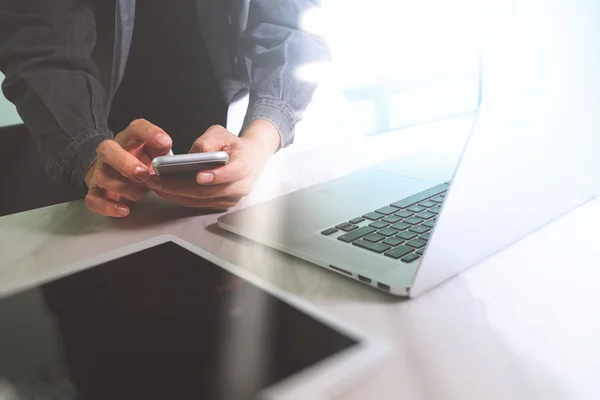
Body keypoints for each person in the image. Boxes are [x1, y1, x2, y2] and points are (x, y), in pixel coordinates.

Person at [0, 0, 329, 217]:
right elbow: (37, 44)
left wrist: (258, 142)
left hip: (227, 156)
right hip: (83, 170)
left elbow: (294, 25)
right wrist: (87, 151)